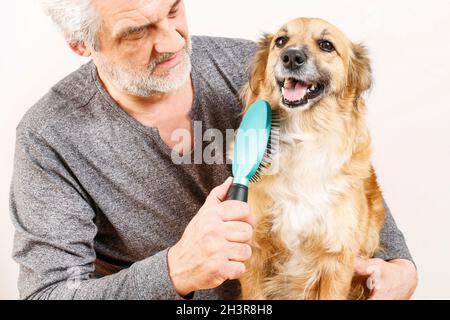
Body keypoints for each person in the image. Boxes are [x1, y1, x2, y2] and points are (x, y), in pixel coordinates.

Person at [10, 0, 417, 299]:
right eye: (137, 31)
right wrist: (174, 271)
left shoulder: (254, 65)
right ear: (82, 43)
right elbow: (46, 294)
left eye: (172, 11)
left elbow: (346, 170)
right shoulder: (49, 137)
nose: (171, 43)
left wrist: (401, 265)